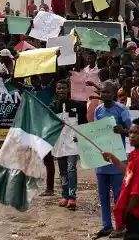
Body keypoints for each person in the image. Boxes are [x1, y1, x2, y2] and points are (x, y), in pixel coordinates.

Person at [102, 117, 139, 239]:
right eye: (130, 132)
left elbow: (138, 193)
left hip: (138, 212)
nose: (132, 136)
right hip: (134, 211)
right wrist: (113, 159)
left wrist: (126, 212)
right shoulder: (136, 154)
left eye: (137, 133)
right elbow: (129, 174)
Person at [92, 80, 131, 239]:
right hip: (102, 159)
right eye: (102, 92)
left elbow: (132, 131)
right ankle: (106, 226)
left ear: (114, 94)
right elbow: (95, 131)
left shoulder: (121, 110)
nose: (104, 95)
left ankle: (121, 226)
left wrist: (123, 130)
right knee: (102, 195)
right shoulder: (98, 110)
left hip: (117, 159)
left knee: (118, 195)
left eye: (108, 92)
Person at [50, 80, 81, 211]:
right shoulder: (52, 106)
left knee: (71, 168)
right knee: (62, 170)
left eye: (63, 88)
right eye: (59, 88)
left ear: (68, 89)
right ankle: (64, 194)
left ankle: (72, 196)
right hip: (59, 142)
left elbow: (83, 123)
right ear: (56, 90)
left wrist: (79, 136)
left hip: (73, 142)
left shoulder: (77, 105)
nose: (61, 90)